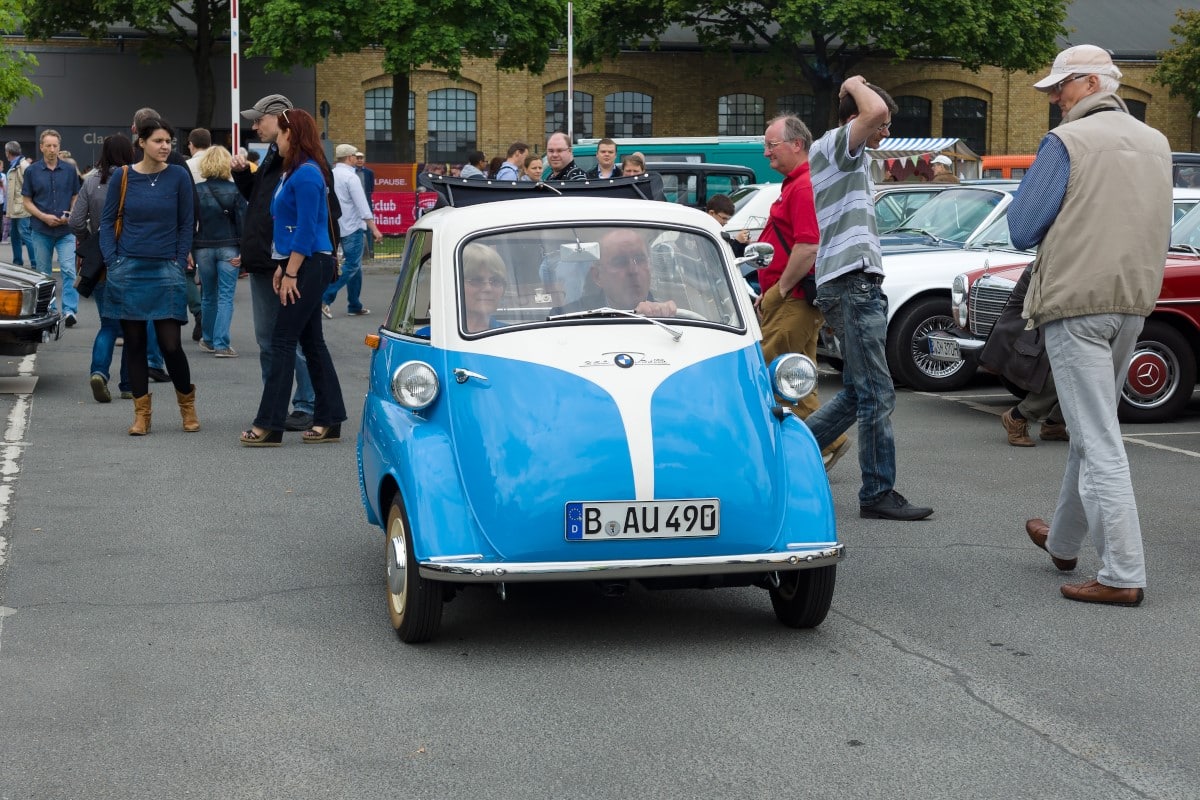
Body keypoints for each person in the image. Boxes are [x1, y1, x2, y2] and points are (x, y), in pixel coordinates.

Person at [1009, 44, 1171, 607]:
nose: (1054, 97)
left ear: (1086, 83)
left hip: (1077, 300)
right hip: (1133, 298)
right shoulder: (1157, 142)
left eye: (1059, 87)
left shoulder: (1067, 141)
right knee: (1091, 427)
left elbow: (1023, 227)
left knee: (1098, 438)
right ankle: (1063, 539)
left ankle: (1123, 571)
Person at [803, 76, 932, 521]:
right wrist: (855, 82)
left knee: (860, 392)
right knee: (877, 393)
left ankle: (787, 453)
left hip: (854, 283)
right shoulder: (837, 145)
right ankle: (877, 492)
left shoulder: (844, 157)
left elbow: (873, 114)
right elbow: (873, 111)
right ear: (855, 118)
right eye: (883, 125)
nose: (886, 131)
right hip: (851, 283)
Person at [240, 108, 346, 447]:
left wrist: (291, 270)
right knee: (310, 341)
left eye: (282, 133)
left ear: (292, 134)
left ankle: (269, 423)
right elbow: (288, 227)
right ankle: (329, 419)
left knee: (283, 340)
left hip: (310, 263)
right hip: (301, 262)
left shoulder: (308, 174)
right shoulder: (295, 173)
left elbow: (307, 229)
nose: (278, 140)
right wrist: (281, 265)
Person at [756, 114, 852, 471]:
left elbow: (808, 246)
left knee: (770, 374)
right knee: (799, 377)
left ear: (797, 144)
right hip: (792, 297)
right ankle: (820, 447)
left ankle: (830, 439)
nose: (766, 153)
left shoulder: (802, 186)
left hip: (792, 300)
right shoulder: (799, 184)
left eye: (771, 145)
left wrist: (778, 290)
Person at [99, 117, 199, 436]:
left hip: (166, 268)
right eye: (158, 141)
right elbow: (106, 222)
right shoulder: (123, 176)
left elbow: (187, 223)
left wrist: (178, 257)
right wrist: (113, 262)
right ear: (141, 143)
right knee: (135, 342)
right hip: (128, 268)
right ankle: (142, 415)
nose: (165, 146)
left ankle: (187, 407)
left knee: (171, 344)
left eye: (169, 141)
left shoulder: (180, 177)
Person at [231, 93, 317, 432]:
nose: (254, 126)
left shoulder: (296, 161)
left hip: (281, 264)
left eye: (258, 120)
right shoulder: (275, 156)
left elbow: (308, 221)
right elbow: (263, 202)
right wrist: (242, 176)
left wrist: (292, 267)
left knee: (285, 339)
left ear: (281, 119)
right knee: (271, 339)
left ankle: (302, 403)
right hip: (268, 261)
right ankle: (279, 403)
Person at [70, 133, 136, 403]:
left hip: (102, 264)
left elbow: (75, 221)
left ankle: (99, 372)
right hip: (133, 259)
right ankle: (129, 384)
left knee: (108, 324)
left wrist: (91, 242)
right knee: (134, 326)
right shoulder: (137, 180)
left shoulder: (91, 181)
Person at [978, 266, 1069, 447]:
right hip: (1024, 343)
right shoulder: (1046, 266)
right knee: (1067, 371)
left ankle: (1054, 423)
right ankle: (1017, 417)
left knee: (1083, 369)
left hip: (1037, 341)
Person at [23, 129, 81, 326]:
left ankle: (70, 311)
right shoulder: (31, 171)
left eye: (55, 145)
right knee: (44, 273)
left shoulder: (69, 170)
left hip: (66, 230)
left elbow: (75, 196)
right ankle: (49, 309)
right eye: (48, 145)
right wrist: (43, 216)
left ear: (59, 147)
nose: (52, 149)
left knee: (69, 270)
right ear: (41, 147)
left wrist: (71, 214)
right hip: (41, 229)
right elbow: (27, 201)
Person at [193, 145, 247, 358]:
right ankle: (222, 344)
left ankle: (207, 339)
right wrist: (244, 251)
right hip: (230, 247)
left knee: (208, 295)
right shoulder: (236, 190)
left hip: (203, 247)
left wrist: (189, 250)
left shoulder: (196, 190)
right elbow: (243, 222)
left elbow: (189, 223)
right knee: (225, 296)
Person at [558, 228, 676, 316]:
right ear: (598, 276)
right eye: (620, 262)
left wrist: (663, 317)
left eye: (640, 260)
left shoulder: (669, 317)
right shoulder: (567, 318)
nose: (633, 270)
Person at [323, 143, 381, 319]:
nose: (357, 159)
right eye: (355, 156)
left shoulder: (331, 174)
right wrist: (374, 228)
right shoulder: (351, 177)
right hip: (352, 226)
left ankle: (354, 304)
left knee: (356, 267)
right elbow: (362, 205)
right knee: (353, 265)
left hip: (335, 225)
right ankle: (325, 298)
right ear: (349, 158)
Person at [461, 243, 508, 333]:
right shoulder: (431, 338)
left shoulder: (510, 335)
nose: (488, 288)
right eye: (476, 280)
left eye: (495, 281)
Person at [5, 142, 35, 269]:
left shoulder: (22, 165)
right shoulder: (16, 165)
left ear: (8, 152)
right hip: (15, 207)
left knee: (25, 234)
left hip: (21, 206)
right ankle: (17, 262)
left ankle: (35, 262)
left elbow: (30, 186)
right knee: (15, 235)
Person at [354, 151, 375, 258]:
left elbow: (371, 188)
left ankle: (370, 253)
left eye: (361, 158)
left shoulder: (369, 172)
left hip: (366, 204)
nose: (359, 160)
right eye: (357, 158)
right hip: (353, 206)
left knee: (369, 228)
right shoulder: (350, 172)